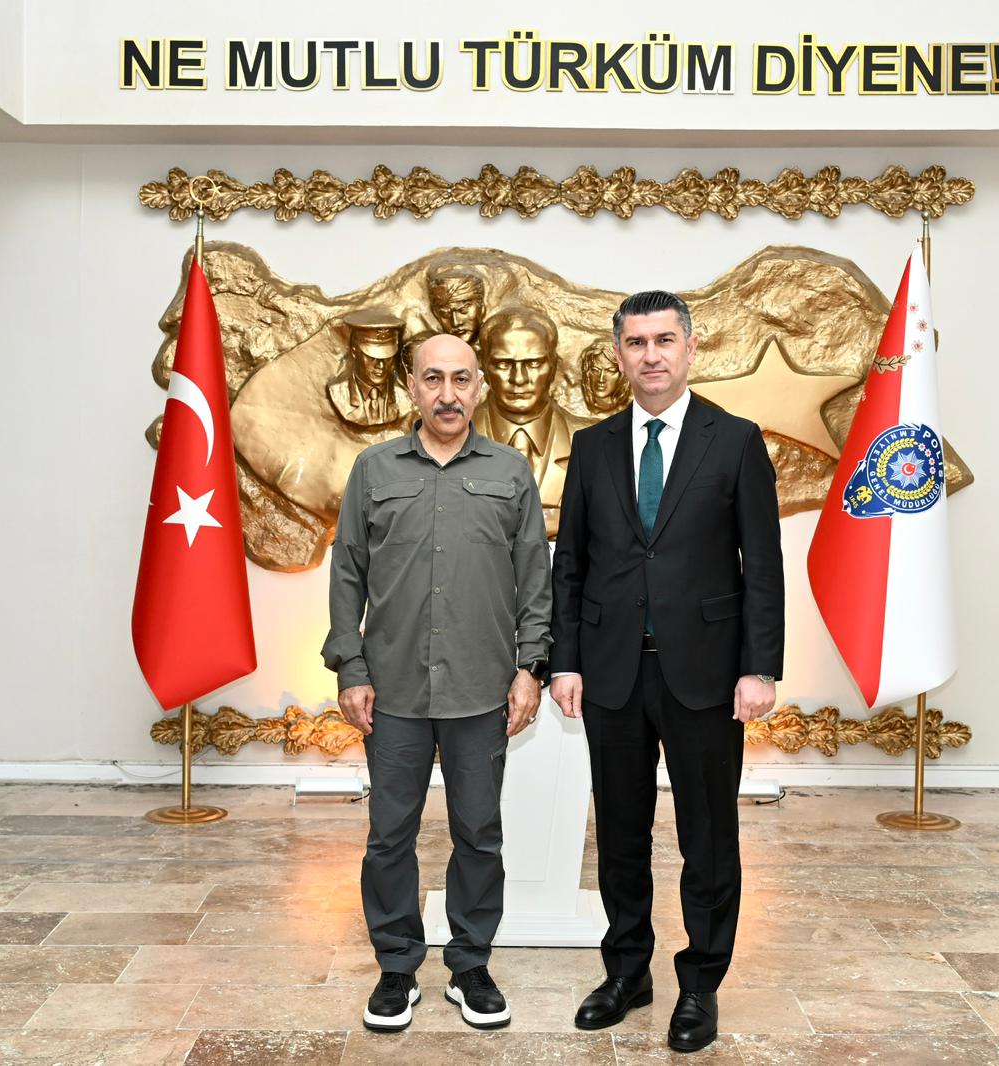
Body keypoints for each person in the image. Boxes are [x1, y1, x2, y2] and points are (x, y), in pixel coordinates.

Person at [550, 290, 784, 1053]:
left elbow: (763, 565)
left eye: (663, 340)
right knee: (620, 835)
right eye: (636, 342)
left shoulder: (736, 441)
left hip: (707, 676)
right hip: (611, 673)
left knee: (707, 839)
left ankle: (700, 984)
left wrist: (760, 668)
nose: (650, 355)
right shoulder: (591, 447)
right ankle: (627, 973)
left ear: (690, 348)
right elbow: (571, 565)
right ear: (618, 355)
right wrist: (564, 661)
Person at [322, 333, 552, 1033]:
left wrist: (530, 668)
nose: (447, 394)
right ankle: (396, 967)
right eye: (432, 379)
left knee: (478, 833)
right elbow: (347, 572)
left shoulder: (511, 471)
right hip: (392, 692)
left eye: (460, 379)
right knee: (389, 835)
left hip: (482, 691)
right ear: (413, 388)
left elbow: (534, 580)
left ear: (479, 387)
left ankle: (470, 964)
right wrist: (351, 668)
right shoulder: (373, 469)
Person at [472, 305, 585, 537]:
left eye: (533, 363)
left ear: (553, 366)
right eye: (504, 364)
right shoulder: (453, 439)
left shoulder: (593, 442)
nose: (519, 379)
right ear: (483, 367)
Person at [327, 309, 412, 428]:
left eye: (387, 358)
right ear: (354, 350)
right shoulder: (338, 392)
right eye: (372, 357)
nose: (380, 366)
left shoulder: (404, 397)